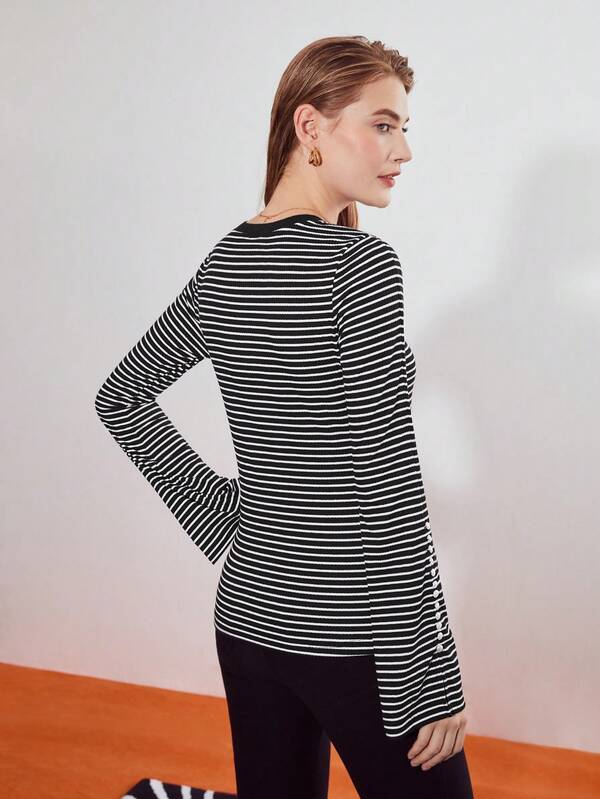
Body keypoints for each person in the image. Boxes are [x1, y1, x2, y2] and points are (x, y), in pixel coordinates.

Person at [95, 35, 474, 799]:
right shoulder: (359, 266)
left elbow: (122, 396)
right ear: (310, 127)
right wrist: (430, 670)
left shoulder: (225, 263)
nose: (403, 149)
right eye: (383, 125)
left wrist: (230, 522)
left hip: (247, 617)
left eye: (404, 127)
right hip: (356, 637)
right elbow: (387, 482)